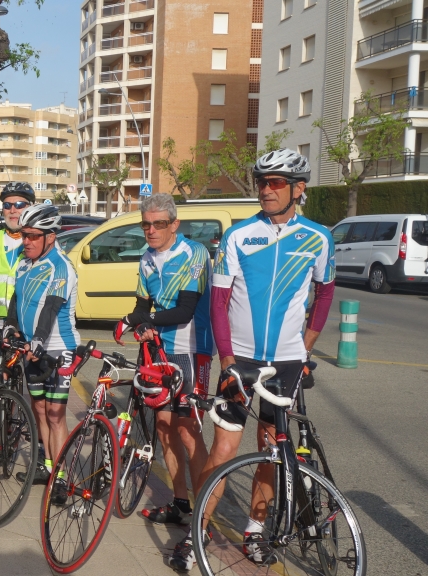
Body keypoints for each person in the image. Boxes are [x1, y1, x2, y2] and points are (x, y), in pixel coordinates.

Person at [169, 149, 335, 571]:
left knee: (271, 448)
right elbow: (218, 303)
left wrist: (306, 347)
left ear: (298, 189)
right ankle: (197, 532)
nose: (265, 189)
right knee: (224, 448)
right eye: (261, 182)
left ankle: (255, 531)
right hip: (240, 359)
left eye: (275, 182)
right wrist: (227, 359)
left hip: (287, 363)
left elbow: (325, 294)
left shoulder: (318, 237)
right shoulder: (239, 236)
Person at [112, 193, 212, 526]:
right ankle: (180, 503)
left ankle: (203, 516)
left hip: (190, 349)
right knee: (165, 428)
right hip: (159, 351)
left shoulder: (194, 253)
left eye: (159, 224)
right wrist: (137, 321)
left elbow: (185, 310)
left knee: (188, 431)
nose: (151, 230)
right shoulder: (146, 258)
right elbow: (142, 306)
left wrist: (141, 321)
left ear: (174, 224)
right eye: (146, 224)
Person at [3, 204, 81, 496]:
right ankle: (49, 465)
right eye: (24, 235)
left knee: (55, 413)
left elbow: (51, 308)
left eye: (33, 236)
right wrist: (10, 327)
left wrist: (37, 339)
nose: (26, 241)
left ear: (51, 236)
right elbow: (16, 299)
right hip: (30, 346)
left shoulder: (61, 266)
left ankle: (61, 476)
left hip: (58, 347)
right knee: (39, 408)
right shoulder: (25, 262)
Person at [0, 182, 34, 330]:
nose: (12, 210)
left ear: (31, 207)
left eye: (19, 205)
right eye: (7, 205)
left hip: (25, 319)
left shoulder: (36, 239)